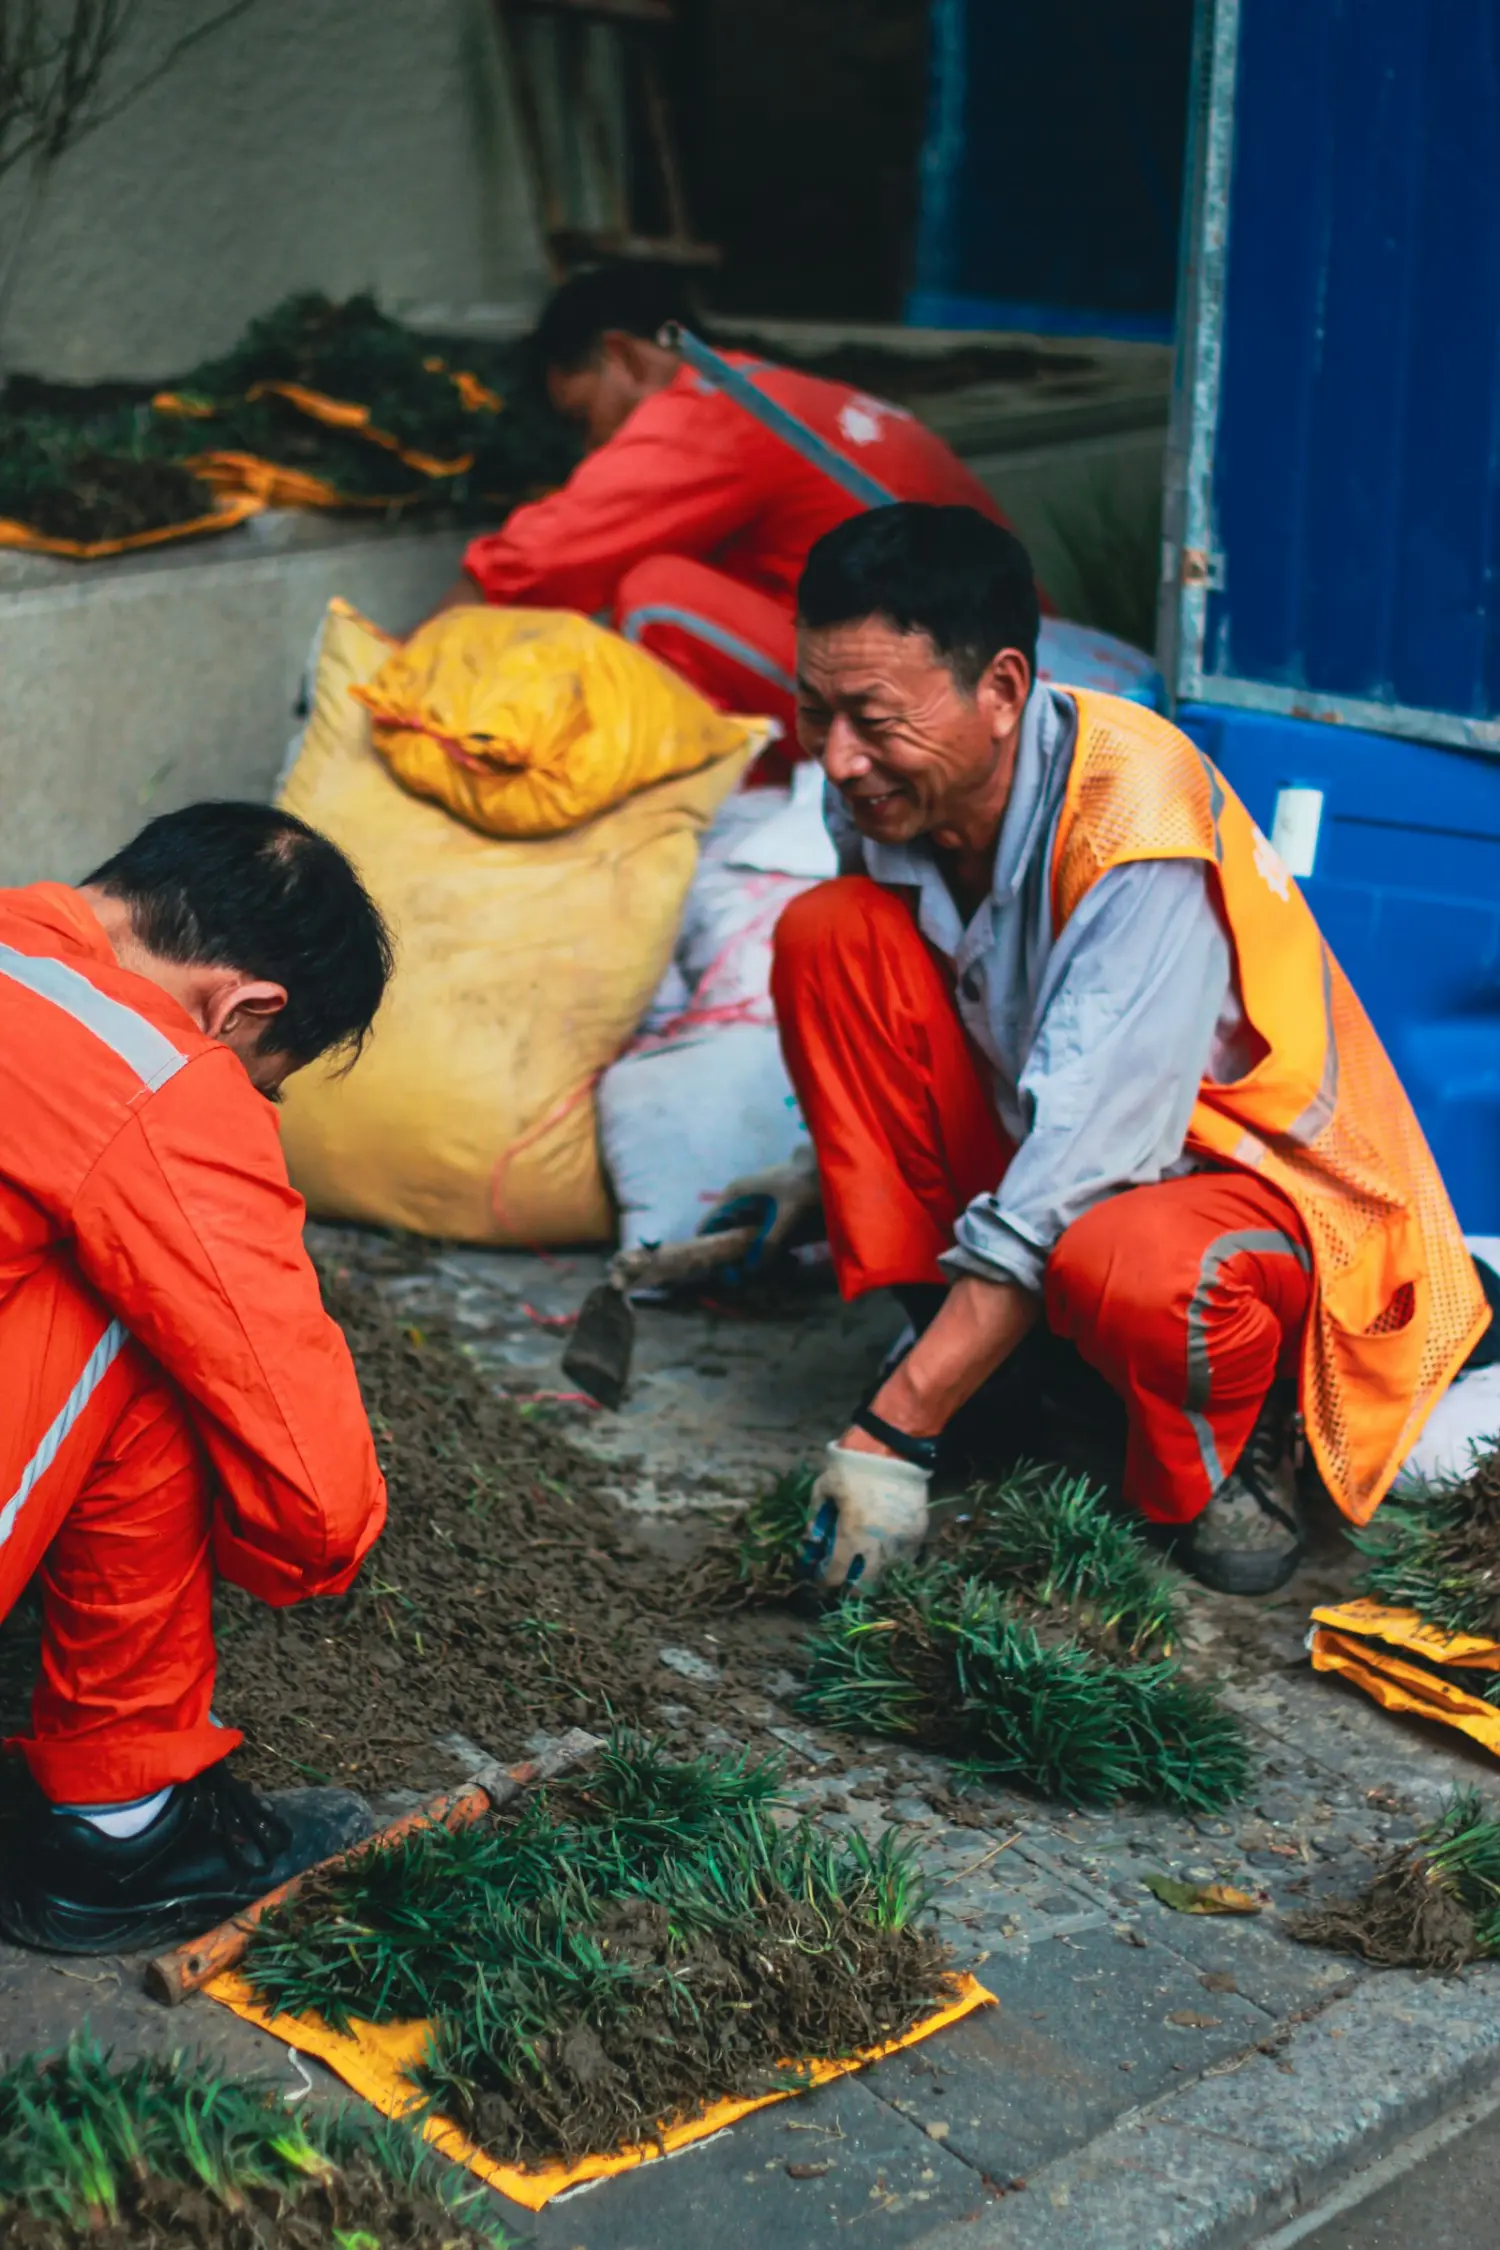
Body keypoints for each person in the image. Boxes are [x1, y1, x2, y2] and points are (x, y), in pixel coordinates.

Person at [768, 505, 1487, 1597]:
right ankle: (985, 1373)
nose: (838, 757)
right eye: (815, 712)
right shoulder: (886, 792)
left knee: (1130, 1264)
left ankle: (1235, 1444)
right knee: (829, 936)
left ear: (1002, 689)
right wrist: (818, 1170)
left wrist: (892, 1429)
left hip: (1245, 1185)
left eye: (872, 718)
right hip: (1069, 1135)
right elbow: (907, 1031)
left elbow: (1083, 1168)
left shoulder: (1136, 823)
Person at [0, 803, 392, 1953]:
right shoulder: (150, 1069)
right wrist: (282, 1561)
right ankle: (120, 1825)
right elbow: (315, 1502)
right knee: (152, 1316)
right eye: (263, 1081)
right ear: (243, 1007)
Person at [449, 264, 1020, 774]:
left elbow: (536, 562)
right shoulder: (781, 393)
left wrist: (419, 661)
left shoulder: (711, 408)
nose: (590, 449)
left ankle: (717, 802)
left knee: (656, 598)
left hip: (947, 701)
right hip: (990, 674)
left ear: (624, 356)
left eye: (583, 418)